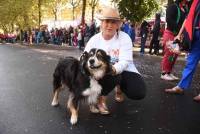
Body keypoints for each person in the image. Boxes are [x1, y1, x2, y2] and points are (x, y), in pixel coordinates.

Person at [84, 7, 147, 114]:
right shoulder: (94, 39)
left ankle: (119, 89)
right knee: (100, 76)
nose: (109, 25)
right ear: (101, 23)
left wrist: (113, 69)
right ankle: (101, 99)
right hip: (100, 71)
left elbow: (125, 61)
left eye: (113, 22)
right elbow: (84, 57)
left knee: (138, 92)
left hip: (124, 70)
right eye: (107, 21)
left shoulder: (125, 37)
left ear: (118, 24)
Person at [165, 0, 200, 102]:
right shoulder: (195, 2)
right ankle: (181, 87)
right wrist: (179, 34)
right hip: (196, 33)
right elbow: (188, 18)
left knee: (190, 61)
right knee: (190, 62)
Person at [160, 0, 190, 81]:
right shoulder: (173, 7)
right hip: (170, 33)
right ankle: (164, 73)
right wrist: (180, 29)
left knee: (174, 54)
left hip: (178, 35)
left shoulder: (185, 8)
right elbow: (169, 20)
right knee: (169, 53)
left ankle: (169, 72)